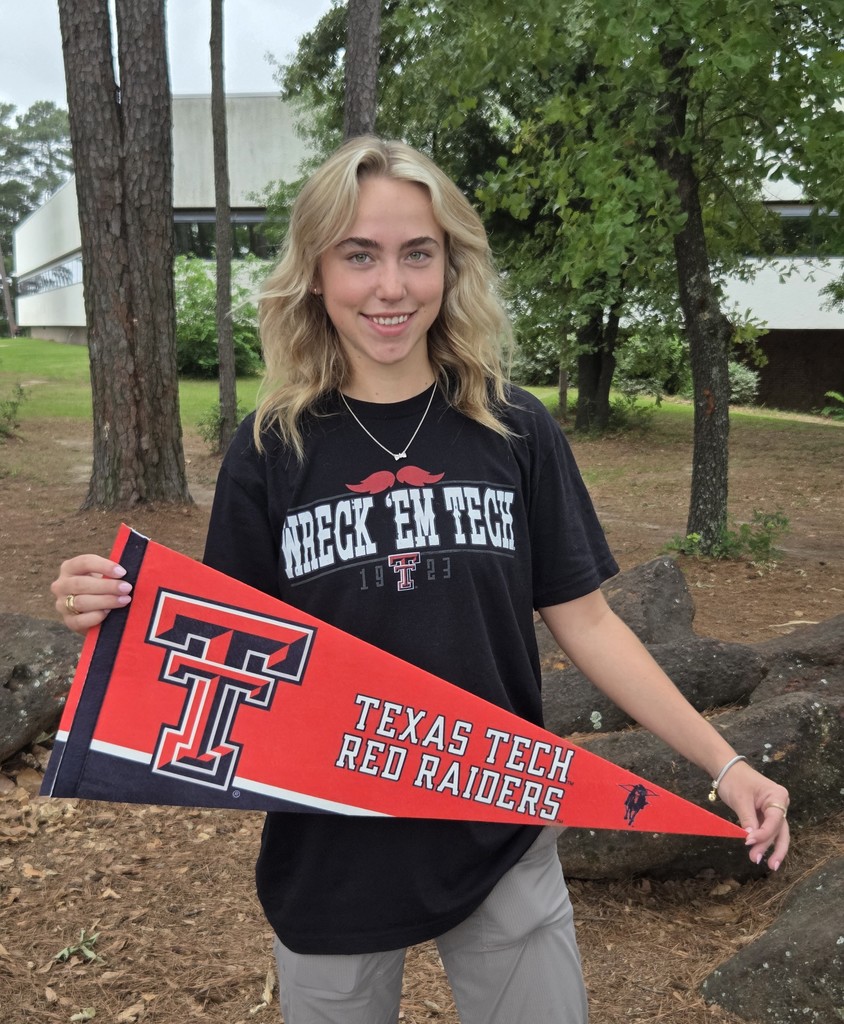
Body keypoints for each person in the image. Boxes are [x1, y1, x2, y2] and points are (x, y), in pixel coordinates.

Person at [52, 136, 790, 1024]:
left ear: (451, 265)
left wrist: (726, 762)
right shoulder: (271, 449)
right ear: (316, 272)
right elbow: (222, 647)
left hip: (499, 824)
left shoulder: (515, 430)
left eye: (417, 253)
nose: (391, 286)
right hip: (330, 849)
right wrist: (108, 606)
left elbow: (590, 622)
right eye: (359, 255)